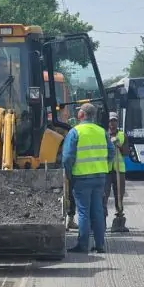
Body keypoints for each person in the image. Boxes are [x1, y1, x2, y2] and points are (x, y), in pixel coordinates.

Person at [62, 103, 114, 253]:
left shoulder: (75, 132)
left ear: (81, 115)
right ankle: (100, 245)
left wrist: (69, 174)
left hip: (81, 178)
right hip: (100, 177)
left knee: (84, 211)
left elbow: (67, 157)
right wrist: (103, 166)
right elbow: (111, 152)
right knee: (97, 210)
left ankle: (83, 245)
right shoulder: (102, 132)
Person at [104, 112, 130, 232]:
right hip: (106, 170)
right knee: (103, 195)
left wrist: (118, 145)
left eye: (114, 121)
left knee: (119, 195)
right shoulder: (103, 135)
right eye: (110, 121)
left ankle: (119, 217)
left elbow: (126, 152)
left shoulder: (122, 135)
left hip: (119, 170)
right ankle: (102, 220)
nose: (112, 124)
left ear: (117, 122)